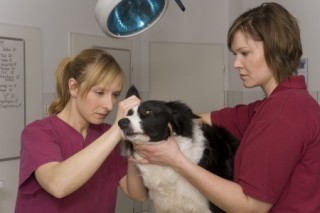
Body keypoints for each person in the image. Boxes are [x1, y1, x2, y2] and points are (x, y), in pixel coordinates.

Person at [132, 2, 320, 212]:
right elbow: (202, 119)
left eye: (245, 53)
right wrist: (148, 121)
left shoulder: (282, 115)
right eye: (235, 55)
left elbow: (251, 207)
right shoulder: (277, 105)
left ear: (274, 49)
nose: (236, 64)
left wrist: (177, 161)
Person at [15, 48, 147, 213]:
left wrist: (135, 145)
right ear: (73, 87)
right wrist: (116, 130)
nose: (109, 105)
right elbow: (58, 185)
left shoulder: (110, 136)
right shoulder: (37, 132)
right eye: (99, 93)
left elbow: (138, 194)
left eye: (115, 94)